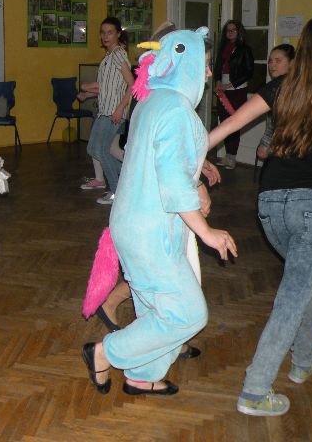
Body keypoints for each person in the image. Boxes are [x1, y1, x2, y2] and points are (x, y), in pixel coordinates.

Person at [207, 15, 312, 417]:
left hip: (271, 205)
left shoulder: (284, 86)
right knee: (294, 293)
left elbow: (230, 124)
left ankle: (303, 361)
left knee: (307, 278)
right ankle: (255, 389)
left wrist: (191, 155)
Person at [82, 27, 237, 397]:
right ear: (184, 63)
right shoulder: (177, 110)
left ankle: (142, 374)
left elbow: (161, 161)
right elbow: (173, 180)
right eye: (204, 64)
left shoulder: (152, 101)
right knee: (188, 313)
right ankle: (105, 352)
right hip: (151, 231)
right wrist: (206, 232)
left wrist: (197, 168)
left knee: (156, 307)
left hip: (133, 223)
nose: (208, 72)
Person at [77, 17, 135, 205]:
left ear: (118, 34)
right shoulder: (109, 56)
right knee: (95, 149)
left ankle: (118, 192)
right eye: (103, 32)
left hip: (112, 112)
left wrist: (119, 109)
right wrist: (87, 93)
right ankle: (128, 179)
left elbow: (132, 85)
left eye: (110, 32)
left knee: (101, 151)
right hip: (105, 111)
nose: (105, 36)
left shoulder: (118, 55)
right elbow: (107, 87)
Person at [213, 19, 254, 169]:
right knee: (224, 122)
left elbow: (249, 72)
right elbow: (218, 68)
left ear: (239, 32)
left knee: (234, 122)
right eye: (227, 30)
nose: (230, 33)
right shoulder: (223, 48)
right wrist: (218, 82)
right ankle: (228, 156)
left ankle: (232, 157)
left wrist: (230, 84)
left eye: (233, 30)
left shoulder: (245, 49)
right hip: (223, 90)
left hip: (237, 90)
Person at [257, 44, 295, 160]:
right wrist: (265, 143)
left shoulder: (294, 88)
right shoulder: (275, 87)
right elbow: (271, 123)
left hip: (292, 150)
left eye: (278, 61)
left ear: (292, 63)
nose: (272, 65)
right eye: (270, 61)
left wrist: (266, 144)